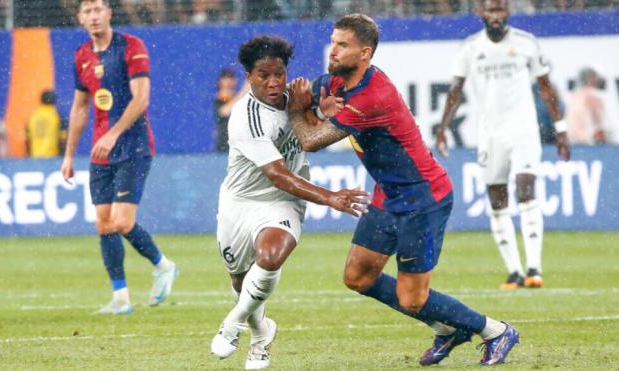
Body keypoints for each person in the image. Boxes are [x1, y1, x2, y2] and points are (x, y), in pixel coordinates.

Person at [289, 13, 519, 366]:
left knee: (412, 298)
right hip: (388, 194)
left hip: (423, 199)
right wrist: (298, 98)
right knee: (357, 277)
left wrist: (297, 109)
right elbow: (306, 93)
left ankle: (495, 331)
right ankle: (447, 328)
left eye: (342, 45)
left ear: (365, 53)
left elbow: (310, 139)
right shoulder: (339, 80)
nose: (332, 50)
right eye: (333, 41)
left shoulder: (370, 97)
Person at [209, 35, 369, 370]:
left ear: (286, 72)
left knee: (271, 256)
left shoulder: (300, 97)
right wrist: (330, 197)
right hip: (241, 201)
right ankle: (262, 333)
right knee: (240, 282)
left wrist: (320, 115)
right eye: (263, 75)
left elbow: (309, 140)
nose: (272, 82)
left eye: (278, 73)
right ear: (249, 77)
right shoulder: (245, 117)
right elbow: (278, 174)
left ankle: (233, 323)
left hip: (284, 201)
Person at [435, 0, 571, 290]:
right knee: (497, 200)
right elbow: (455, 90)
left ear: (507, 13)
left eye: (500, 11)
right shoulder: (470, 48)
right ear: (480, 13)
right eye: (490, 11)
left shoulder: (526, 43)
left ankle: (534, 268)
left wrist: (560, 129)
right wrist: (443, 128)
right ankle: (514, 272)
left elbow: (546, 87)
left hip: (523, 130)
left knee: (526, 191)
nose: (495, 16)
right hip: (490, 134)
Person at [60, 0, 178, 315]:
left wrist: (113, 134)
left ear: (109, 13)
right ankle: (121, 297)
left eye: (98, 9)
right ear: (81, 18)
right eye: (87, 11)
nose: (94, 15)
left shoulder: (131, 47)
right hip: (101, 153)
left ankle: (163, 265)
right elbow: (81, 107)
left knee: (122, 222)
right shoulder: (82, 56)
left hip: (133, 147)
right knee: (103, 224)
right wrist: (69, 154)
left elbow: (141, 98)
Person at [566, 67, 608, 145]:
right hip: (589, 142)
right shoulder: (593, 95)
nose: (597, 80)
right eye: (595, 78)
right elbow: (601, 124)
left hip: (573, 142)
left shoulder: (574, 95)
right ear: (589, 79)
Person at [212, 68, 248, 153]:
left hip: (240, 147)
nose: (228, 81)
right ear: (220, 82)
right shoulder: (218, 101)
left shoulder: (241, 100)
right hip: (225, 147)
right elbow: (225, 111)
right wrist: (245, 90)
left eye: (231, 78)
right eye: (225, 78)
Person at [27, 90, 68, 157]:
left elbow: (28, 140)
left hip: (35, 157)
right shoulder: (57, 116)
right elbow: (63, 140)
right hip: (52, 158)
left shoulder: (33, 116)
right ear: (54, 101)